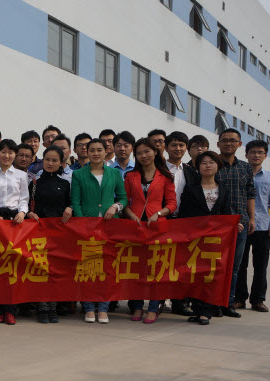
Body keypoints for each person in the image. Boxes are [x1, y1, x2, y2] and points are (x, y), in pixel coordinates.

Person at [70, 137, 127, 324]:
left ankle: (103, 308)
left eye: (99, 150)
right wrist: (83, 224)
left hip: (110, 226)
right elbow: (75, 202)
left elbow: (123, 198)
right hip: (87, 227)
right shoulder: (78, 174)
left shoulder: (114, 173)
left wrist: (115, 207)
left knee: (107, 269)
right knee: (88, 268)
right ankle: (88, 308)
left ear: (106, 151)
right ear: (87, 152)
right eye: (92, 150)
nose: (95, 153)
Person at [122, 138, 177, 323]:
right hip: (136, 226)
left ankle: (153, 308)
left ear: (155, 152)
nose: (143, 156)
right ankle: (137, 306)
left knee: (157, 269)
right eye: (139, 153)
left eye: (147, 151)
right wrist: (131, 215)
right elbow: (124, 201)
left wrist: (159, 213)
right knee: (137, 268)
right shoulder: (131, 176)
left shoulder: (165, 176)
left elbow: (172, 203)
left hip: (157, 226)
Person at [178, 151, 231, 325]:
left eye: (211, 162)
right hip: (194, 238)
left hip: (214, 239)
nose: (207, 165)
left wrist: (234, 225)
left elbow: (226, 213)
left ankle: (206, 311)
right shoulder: (191, 188)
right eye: (203, 163)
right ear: (198, 167)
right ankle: (197, 308)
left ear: (218, 166)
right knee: (194, 274)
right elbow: (184, 213)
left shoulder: (223, 189)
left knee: (210, 274)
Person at [0, 139, 29, 325]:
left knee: (12, 267)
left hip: (14, 223)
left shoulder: (21, 175)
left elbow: (24, 198)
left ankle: (10, 309)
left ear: (15, 155)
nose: (7, 155)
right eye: (3, 152)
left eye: (10, 152)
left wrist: (22, 212)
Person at [234, 139, 270, 312]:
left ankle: (258, 300)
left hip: (263, 226)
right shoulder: (239, 174)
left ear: (265, 156)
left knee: (261, 265)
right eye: (253, 152)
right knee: (240, 264)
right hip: (241, 225)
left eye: (260, 152)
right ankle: (239, 298)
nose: (256, 155)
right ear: (246, 155)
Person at [27, 145, 72, 324]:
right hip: (38, 234)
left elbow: (71, 203)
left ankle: (53, 306)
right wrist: (30, 213)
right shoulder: (34, 183)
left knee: (55, 271)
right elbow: (27, 205)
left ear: (61, 163)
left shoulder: (65, 184)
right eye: (47, 159)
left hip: (59, 235)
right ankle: (42, 307)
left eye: (54, 160)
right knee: (40, 270)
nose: (50, 163)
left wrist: (70, 208)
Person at [216, 128, 256, 318]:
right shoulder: (212, 164)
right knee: (215, 265)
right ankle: (213, 302)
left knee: (234, 267)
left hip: (240, 223)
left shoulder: (245, 168)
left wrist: (252, 218)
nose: (228, 143)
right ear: (218, 144)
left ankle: (228, 302)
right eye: (225, 140)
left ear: (239, 144)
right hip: (217, 224)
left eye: (233, 140)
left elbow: (250, 193)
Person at [164, 130, 198, 317]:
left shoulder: (192, 172)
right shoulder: (158, 168)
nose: (177, 148)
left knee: (181, 265)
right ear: (166, 147)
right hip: (162, 220)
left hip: (183, 222)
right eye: (174, 145)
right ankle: (157, 301)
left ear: (187, 148)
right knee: (162, 261)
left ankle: (179, 302)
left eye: (181, 145)